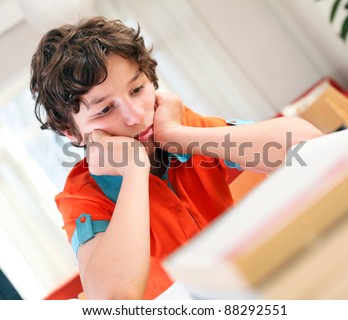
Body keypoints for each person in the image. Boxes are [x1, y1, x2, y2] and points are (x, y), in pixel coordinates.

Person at [30, 16, 322, 300]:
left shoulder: (180, 129)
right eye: (105, 109)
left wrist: (174, 134)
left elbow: (310, 148)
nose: (136, 116)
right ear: (72, 132)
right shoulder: (82, 197)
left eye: (137, 89)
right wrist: (135, 169)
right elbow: (114, 300)